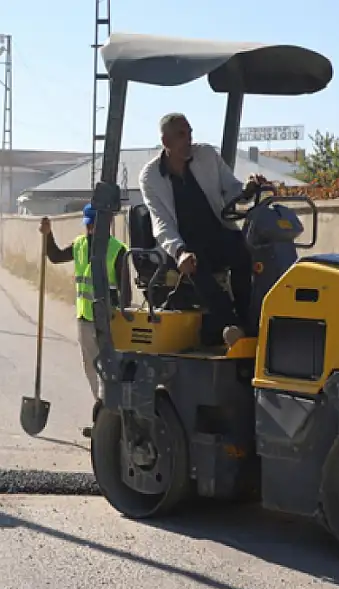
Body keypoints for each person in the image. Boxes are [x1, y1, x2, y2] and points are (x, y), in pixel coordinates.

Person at [138, 112, 267, 347]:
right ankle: (232, 325)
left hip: (218, 231)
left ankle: (249, 321)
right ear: (166, 142)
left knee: (243, 250)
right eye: (181, 134)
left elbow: (232, 190)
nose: (188, 139)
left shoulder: (206, 155)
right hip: (184, 243)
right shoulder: (150, 177)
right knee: (195, 263)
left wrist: (248, 190)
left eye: (189, 133)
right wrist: (179, 252)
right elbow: (161, 222)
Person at [39, 204, 131, 419]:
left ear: (106, 225)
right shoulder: (79, 245)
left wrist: (119, 314)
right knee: (90, 365)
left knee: (110, 366)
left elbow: (125, 292)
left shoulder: (118, 251)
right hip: (85, 318)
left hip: (109, 321)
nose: (90, 229)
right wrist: (48, 234)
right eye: (88, 225)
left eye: (94, 225)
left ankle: (111, 414)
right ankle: (103, 410)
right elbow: (54, 256)